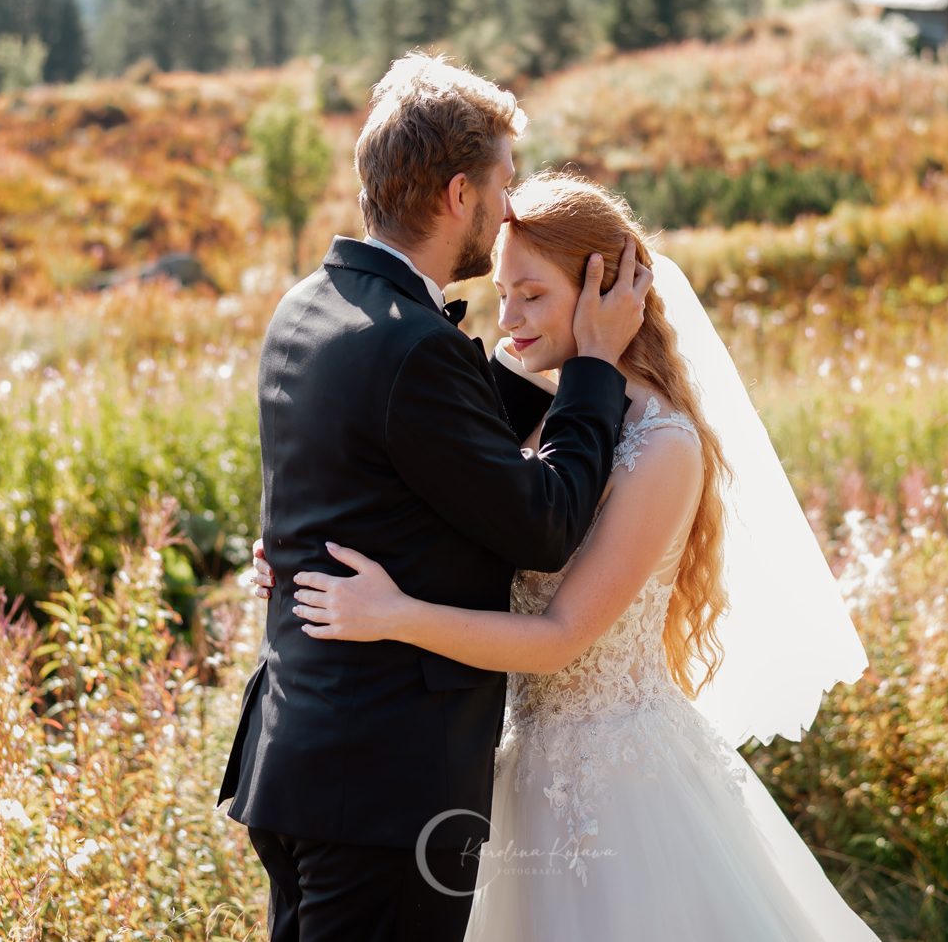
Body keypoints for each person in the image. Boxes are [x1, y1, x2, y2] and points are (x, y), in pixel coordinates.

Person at [286, 173, 878, 941]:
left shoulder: (662, 446)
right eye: (503, 291)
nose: (509, 317)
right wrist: (302, 552)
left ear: (602, 288)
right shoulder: (535, 411)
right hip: (513, 774)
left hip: (624, 795)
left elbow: (562, 635)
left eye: (532, 293)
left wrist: (395, 616)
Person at [219, 54, 654, 942]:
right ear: (459, 193)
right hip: (384, 787)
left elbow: (404, 456)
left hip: (300, 758)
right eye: (501, 185)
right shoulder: (415, 348)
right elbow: (544, 522)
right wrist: (594, 369)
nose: (506, 210)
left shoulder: (307, 307)